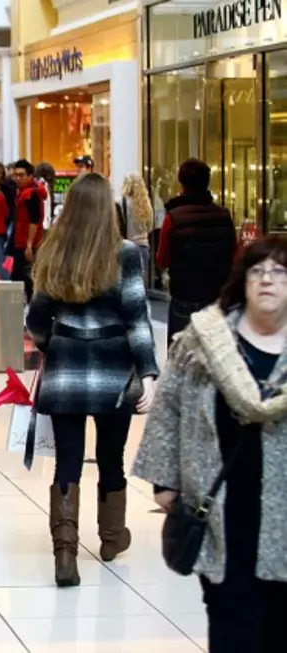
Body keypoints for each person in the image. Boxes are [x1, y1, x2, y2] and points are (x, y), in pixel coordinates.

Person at [133, 235, 287, 653]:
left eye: (279, 272)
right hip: (222, 513)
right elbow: (168, 409)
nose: (267, 280)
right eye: (258, 271)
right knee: (233, 628)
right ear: (242, 280)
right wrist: (164, 481)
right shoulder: (203, 341)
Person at [26, 173, 158, 588]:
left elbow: (35, 318)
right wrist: (149, 373)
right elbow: (137, 319)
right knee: (110, 457)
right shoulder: (125, 254)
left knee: (67, 461)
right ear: (108, 209)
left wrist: (54, 344)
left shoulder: (55, 251)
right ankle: (111, 537)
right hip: (113, 372)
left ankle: (65, 552)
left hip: (65, 371)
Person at [156, 158, 237, 345]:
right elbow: (235, 256)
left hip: (184, 297)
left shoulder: (173, 219)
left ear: (181, 183)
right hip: (216, 299)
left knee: (180, 357)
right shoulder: (224, 216)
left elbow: (161, 260)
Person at [10, 159, 46, 301]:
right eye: (16, 175)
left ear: (30, 176)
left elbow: (34, 220)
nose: (18, 178)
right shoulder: (25, 192)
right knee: (25, 277)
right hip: (22, 241)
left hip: (26, 243)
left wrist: (29, 245)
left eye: (22, 175)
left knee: (23, 277)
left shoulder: (31, 194)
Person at [117, 173, 154, 274]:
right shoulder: (147, 205)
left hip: (127, 247)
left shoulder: (120, 202)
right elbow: (150, 227)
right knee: (140, 286)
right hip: (144, 248)